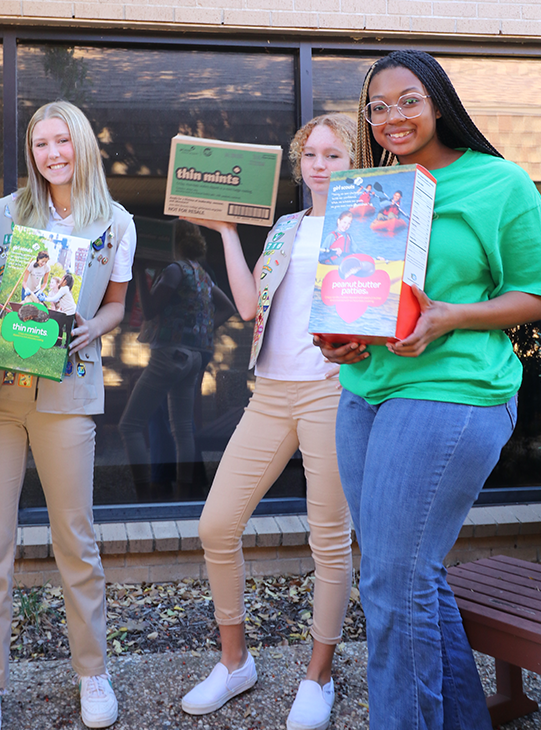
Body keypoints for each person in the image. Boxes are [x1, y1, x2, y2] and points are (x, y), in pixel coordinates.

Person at [317, 50, 541, 730]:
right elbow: (352, 293)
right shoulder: (371, 190)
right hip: (366, 389)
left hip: (454, 388)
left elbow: (536, 294)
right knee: (406, 573)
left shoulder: (499, 183)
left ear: (440, 102)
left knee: (394, 580)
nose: (393, 116)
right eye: (379, 106)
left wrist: (450, 315)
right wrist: (337, 338)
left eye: (408, 100)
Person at [0, 99, 136, 730]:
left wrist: (94, 327)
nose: (52, 154)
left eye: (62, 141)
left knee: (76, 541)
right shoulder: (6, 213)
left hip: (68, 392)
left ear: (82, 144)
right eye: (40, 144)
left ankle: (93, 673)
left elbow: (117, 304)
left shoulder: (114, 222)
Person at [180, 112, 356, 730]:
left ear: (353, 161)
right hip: (271, 393)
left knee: (328, 540)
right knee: (216, 523)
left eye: (333, 154)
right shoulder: (284, 227)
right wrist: (229, 233)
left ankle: (319, 676)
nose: (320, 164)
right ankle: (235, 664)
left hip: (332, 393)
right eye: (311, 154)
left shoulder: (366, 224)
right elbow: (252, 306)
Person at [118, 220, 235, 501]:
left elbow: (149, 311)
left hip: (169, 354)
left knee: (130, 426)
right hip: (194, 356)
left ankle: (144, 493)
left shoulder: (174, 270)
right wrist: (202, 330)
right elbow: (228, 307)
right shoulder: (202, 273)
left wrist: (138, 271)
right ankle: (185, 494)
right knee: (182, 429)